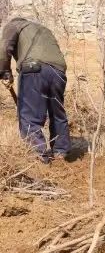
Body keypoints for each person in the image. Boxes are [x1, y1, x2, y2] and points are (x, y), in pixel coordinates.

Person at [0, 17, 71, 163]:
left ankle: (38, 157)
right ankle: (60, 151)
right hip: (59, 72)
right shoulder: (43, 29)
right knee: (57, 113)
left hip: (34, 69)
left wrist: (5, 72)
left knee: (29, 116)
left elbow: (4, 48)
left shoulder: (13, 25)